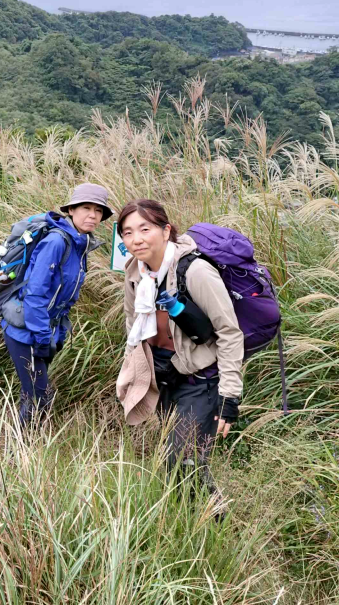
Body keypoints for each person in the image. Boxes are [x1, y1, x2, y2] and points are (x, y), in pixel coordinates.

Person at [116, 199, 244, 492]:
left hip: (200, 380)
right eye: (127, 232)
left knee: (182, 461)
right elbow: (131, 323)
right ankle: (199, 524)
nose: (136, 239)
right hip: (162, 375)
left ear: (165, 231)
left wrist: (230, 396)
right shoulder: (135, 271)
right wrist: (132, 374)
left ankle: (215, 524)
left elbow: (229, 332)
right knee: (178, 462)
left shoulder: (195, 271)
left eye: (145, 229)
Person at [1, 183, 112, 426]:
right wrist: (42, 336)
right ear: (71, 210)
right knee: (39, 396)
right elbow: (36, 293)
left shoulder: (80, 244)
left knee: (33, 391)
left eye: (98, 210)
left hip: (44, 330)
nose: (93, 215)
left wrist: (57, 333)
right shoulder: (57, 241)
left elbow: (63, 297)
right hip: (26, 330)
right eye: (86, 208)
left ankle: (25, 446)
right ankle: (21, 453)